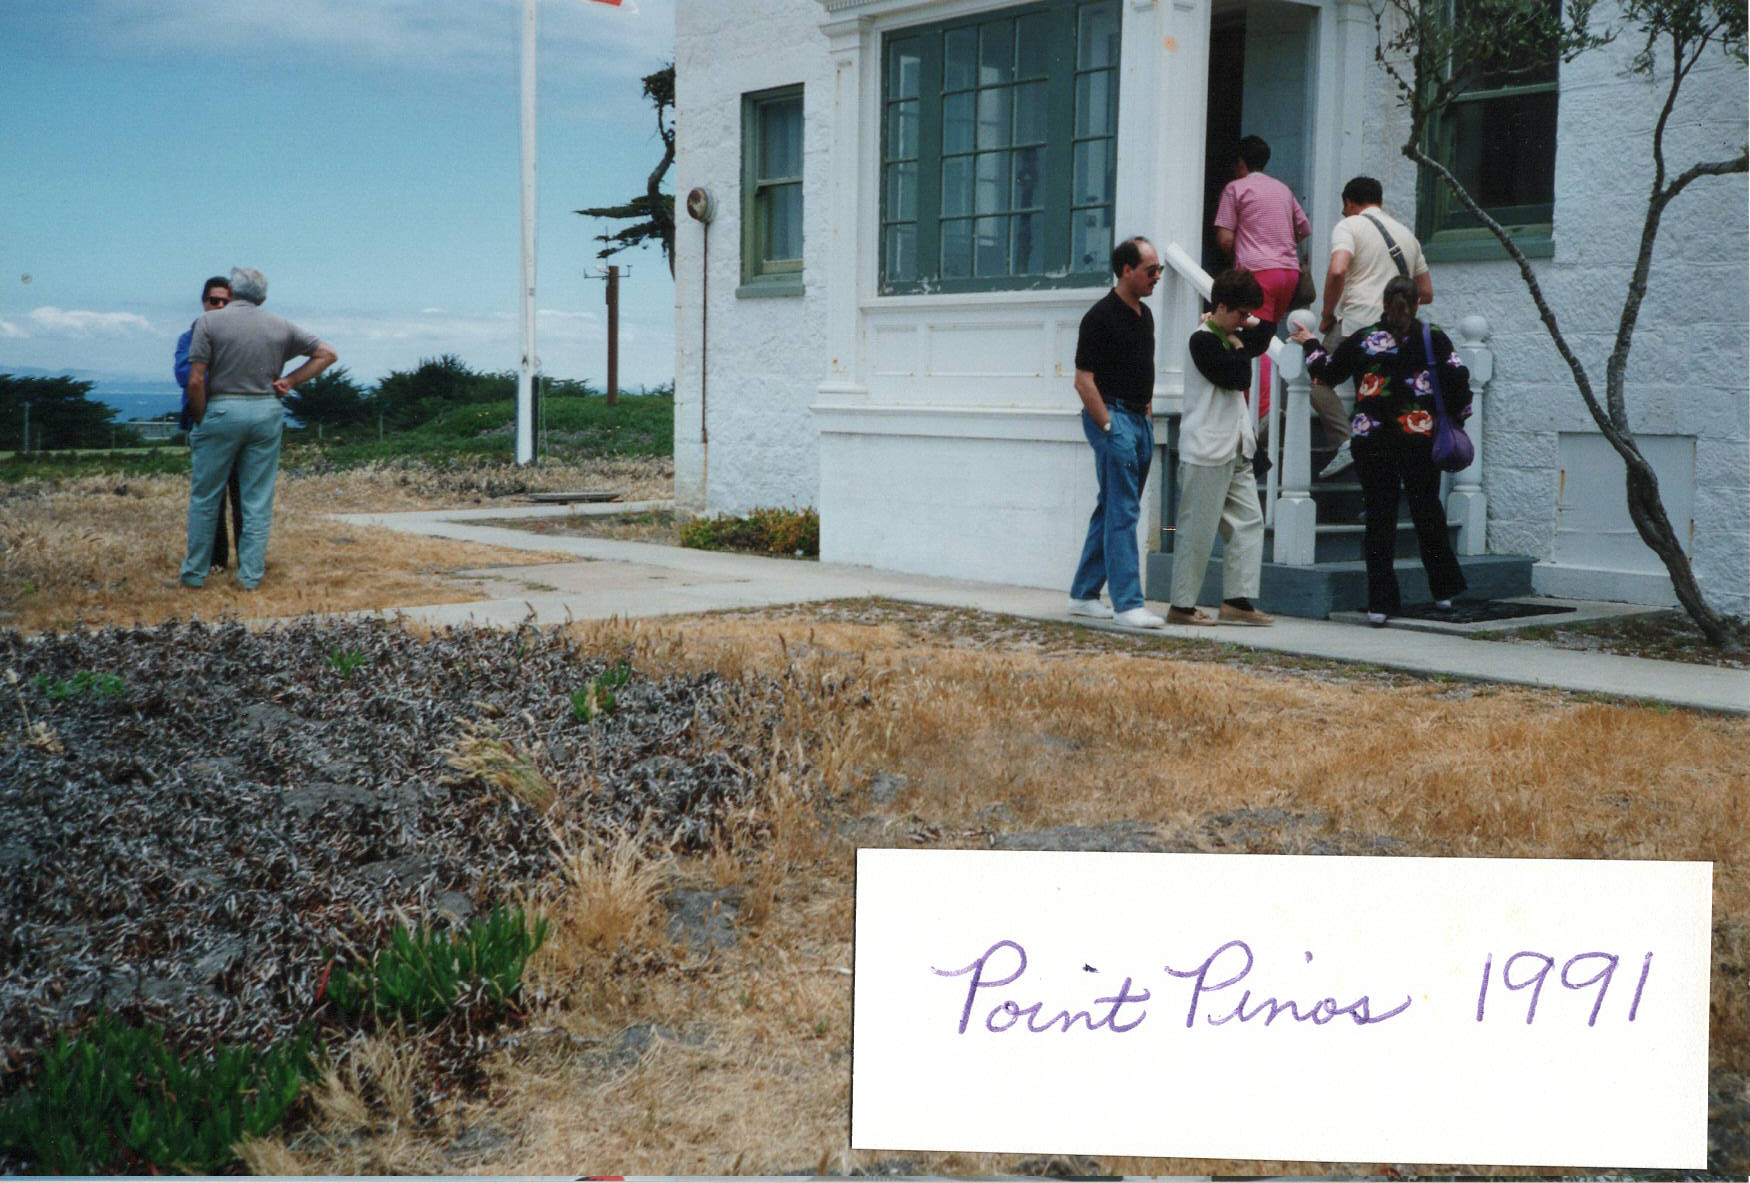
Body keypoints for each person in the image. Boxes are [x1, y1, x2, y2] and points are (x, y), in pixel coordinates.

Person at [1291, 275, 1469, 627]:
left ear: (1383, 304)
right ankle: (1444, 591)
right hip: (1419, 439)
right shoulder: (1433, 338)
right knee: (1427, 511)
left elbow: (1327, 374)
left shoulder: (1364, 340)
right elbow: (1459, 382)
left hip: (1372, 441)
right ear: (1417, 303)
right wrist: (1448, 415)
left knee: (1378, 518)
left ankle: (1380, 603)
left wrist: (1310, 342)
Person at [180, 267, 336, 590]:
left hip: (222, 407)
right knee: (257, 499)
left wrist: (202, 418)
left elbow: (195, 380)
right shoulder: (280, 325)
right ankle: (250, 577)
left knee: (206, 497)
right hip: (266, 410)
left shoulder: (208, 322)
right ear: (262, 298)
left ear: (232, 291)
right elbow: (327, 354)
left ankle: (195, 574)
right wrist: (290, 380)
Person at [1167, 269, 1274, 627]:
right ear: (1222, 306)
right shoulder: (1202, 341)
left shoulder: (1229, 332)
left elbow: (1268, 330)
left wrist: (1243, 325)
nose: (1245, 321)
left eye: (1247, 314)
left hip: (1236, 447)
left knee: (1248, 522)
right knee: (1197, 529)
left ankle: (1237, 600)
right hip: (1206, 449)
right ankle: (1182, 605)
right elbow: (1238, 377)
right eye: (1241, 313)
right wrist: (1238, 344)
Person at [1068, 237, 1166, 629]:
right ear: (1127, 270)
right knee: (1123, 511)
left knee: (1112, 508)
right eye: (1150, 270)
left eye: (1159, 270)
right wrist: (1109, 425)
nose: (1156, 277)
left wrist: (1147, 416)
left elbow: (1142, 368)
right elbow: (1083, 380)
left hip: (1139, 420)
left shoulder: (1146, 315)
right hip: (1113, 418)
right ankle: (1128, 604)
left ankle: (1083, 595)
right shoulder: (1099, 317)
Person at [1313, 177, 1432, 480]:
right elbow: (1426, 292)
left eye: (1344, 207)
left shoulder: (1349, 226)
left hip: (1359, 323)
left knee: (1316, 378)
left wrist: (1326, 315)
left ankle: (1345, 441)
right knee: (1380, 398)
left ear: (1349, 202)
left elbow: (1338, 269)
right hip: (1398, 329)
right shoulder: (1407, 235)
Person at [1213, 135, 1310, 348]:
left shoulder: (1235, 188)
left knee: (1256, 340)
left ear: (1240, 162)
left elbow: (1225, 239)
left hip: (1257, 272)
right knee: (1267, 333)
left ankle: (1259, 373)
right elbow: (1304, 228)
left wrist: (1237, 256)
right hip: (1289, 273)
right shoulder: (1283, 189)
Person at [175, 276, 242, 571]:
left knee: (243, 495)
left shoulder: (241, 337)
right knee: (211, 496)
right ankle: (216, 560)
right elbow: (185, 376)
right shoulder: (189, 337)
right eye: (214, 301)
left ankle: (247, 559)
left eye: (226, 301)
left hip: (235, 421)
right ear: (204, 302)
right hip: (207, 420)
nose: (220, 306)